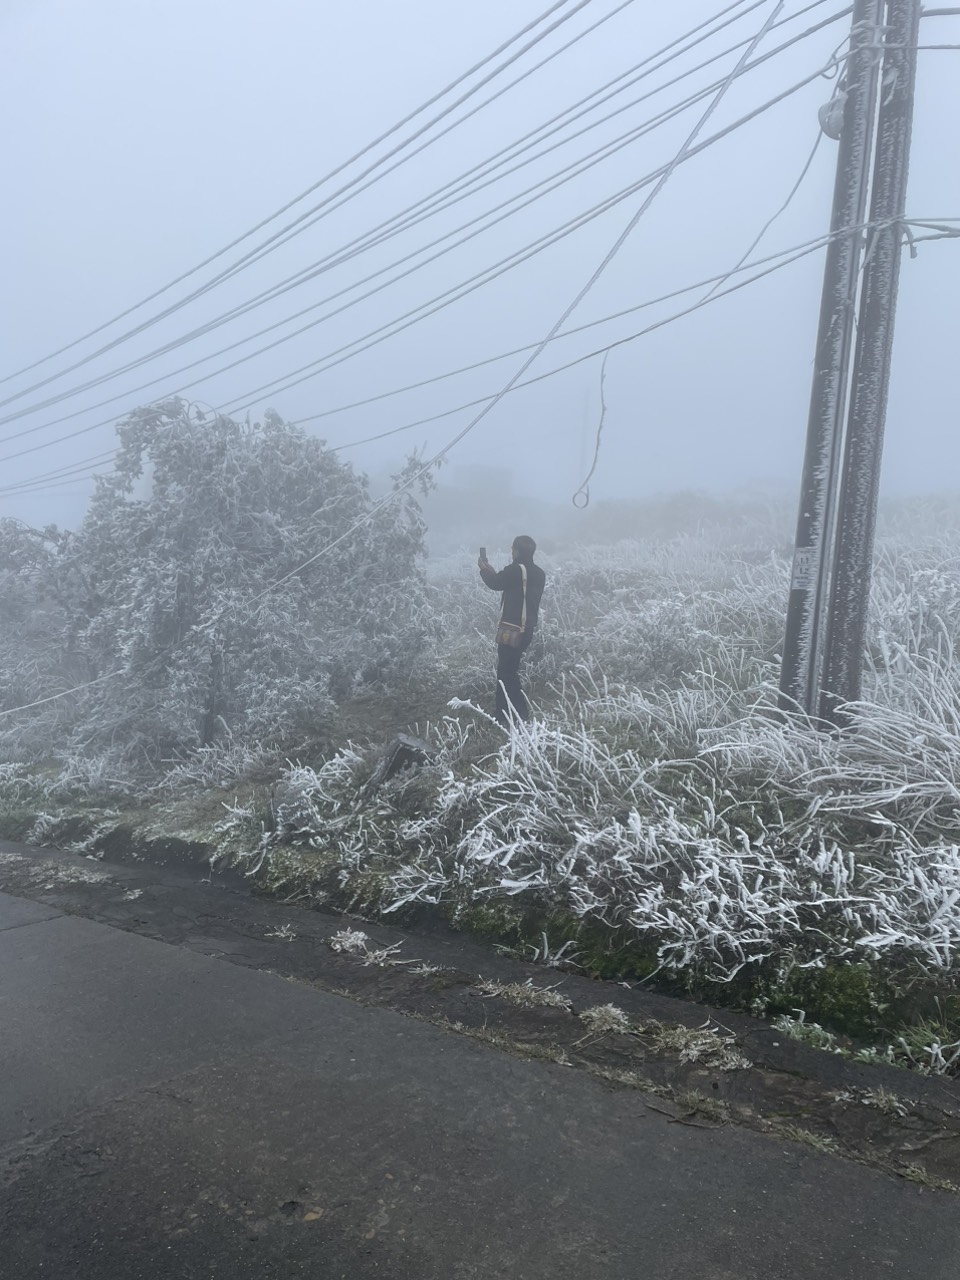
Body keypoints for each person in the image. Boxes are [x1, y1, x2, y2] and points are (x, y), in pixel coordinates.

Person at [478, 535, 546, 725]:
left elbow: (495, 583)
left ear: (516, 550)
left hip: (512, 629)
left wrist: (484, 570)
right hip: (528, 628)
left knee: (506, 672)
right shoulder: (540, 573)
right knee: (510, 670)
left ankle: (512, 715)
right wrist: (491, 572)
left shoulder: (514, 570)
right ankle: (510, 714)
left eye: (512, 548)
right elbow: (506, 582)